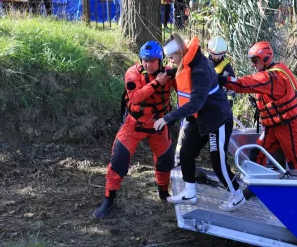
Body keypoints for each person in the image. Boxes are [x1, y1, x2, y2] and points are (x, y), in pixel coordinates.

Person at [154, 33, 246, 212]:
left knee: (218, 162)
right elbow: (180, 70)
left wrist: (167, 118)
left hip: (217, 119)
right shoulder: (189, 61)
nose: (170, 62)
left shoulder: (200, 69)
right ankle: (190, 192)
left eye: (171, 58)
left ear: (180, 52)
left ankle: (237, 195)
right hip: (201, 119)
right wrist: (166, 72)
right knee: (187, 153)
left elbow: (195, 103)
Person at [93, 41, 176, 218]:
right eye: (145, 60)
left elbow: (185, 87)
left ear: (160, 60)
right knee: (119, 158)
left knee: (165, 160)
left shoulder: (169, 73)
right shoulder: (132, 73)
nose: (148, 64)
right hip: (135, 123)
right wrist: (156, 83)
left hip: (159, 124)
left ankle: (163, 193)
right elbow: (135, 97)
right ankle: (109, 199)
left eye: (152, 60)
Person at [218, 41, 297, 171]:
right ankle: (256, 188)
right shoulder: (276, 70)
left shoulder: (273, 77)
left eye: (255, 60)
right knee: (257, 154)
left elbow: (244, 84)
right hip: (274, 126)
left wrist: (223, 80)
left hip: (290, 125)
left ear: (265, 58)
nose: (253, 64)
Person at [173, 36, 236, 167]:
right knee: (183, 141)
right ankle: (179, 164)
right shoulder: (202, 62)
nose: (217, 57)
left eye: (220, 55)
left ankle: (217, 166)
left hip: (213, 111)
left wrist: (228, 103)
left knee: (215, 148)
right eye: (214, 54)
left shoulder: (227, 69)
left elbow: (230, 90)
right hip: (195, 108)